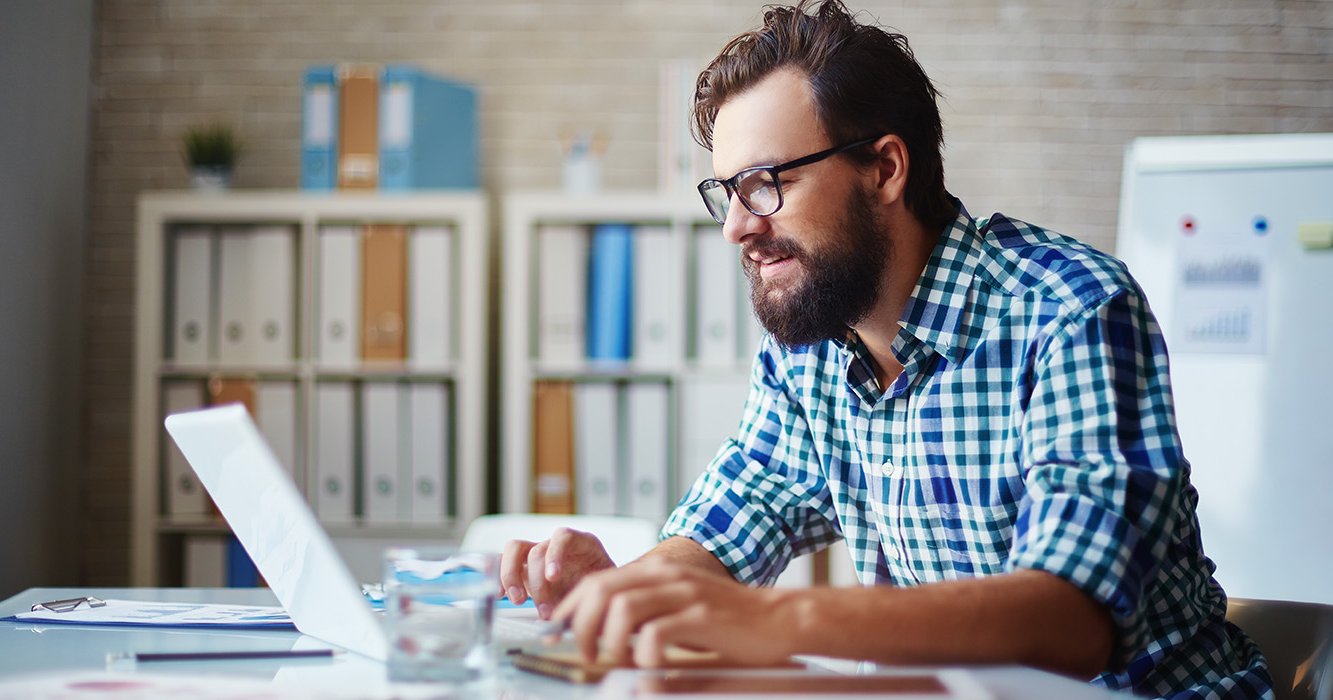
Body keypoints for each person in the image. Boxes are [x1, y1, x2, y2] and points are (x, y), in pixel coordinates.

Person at [501, 2, 1273, 697]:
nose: (737, 226)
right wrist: (626, 596)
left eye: (766, 182)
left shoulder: (1071, 310)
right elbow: (729, 527)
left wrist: (767, 622)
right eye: (726, 192)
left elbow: (1070, 624)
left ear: (885, 168)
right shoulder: (811, 343)